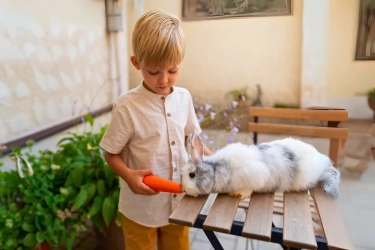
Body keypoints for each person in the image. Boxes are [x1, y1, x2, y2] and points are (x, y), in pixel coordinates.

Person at [100, 9, 212, 250]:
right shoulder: (127, 106)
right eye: (154, 72)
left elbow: (191, 138)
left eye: (172, 71)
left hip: (180, 201)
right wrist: (128, 176)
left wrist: (212, 160)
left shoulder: (184, 98)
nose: (164, 80)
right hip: (141, 209)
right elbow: (110, 153)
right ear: (136, 63)